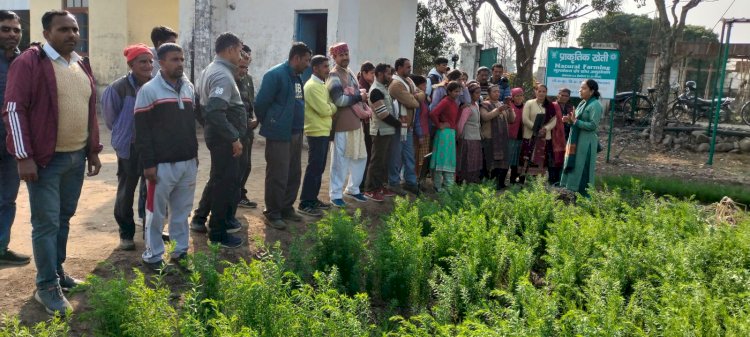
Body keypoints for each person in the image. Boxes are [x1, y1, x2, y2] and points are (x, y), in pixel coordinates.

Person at [3, 10, 103, 315]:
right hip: (47, 160)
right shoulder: (30, 62)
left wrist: (93, 150)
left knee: (63, 218)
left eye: (75, 29)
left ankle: (57, 273)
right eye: (64, 30)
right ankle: (45, 286)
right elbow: (13, 110)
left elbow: (88, 109)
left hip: (76, 156)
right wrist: (24, 156)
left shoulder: (79, 63)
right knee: (46, 224)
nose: (72, 34)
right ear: (47, 33)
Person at [134, 42, 198, 271]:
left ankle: (180, 252)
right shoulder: (149, 90)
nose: (180, 63)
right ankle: (153, 256)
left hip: (187, 162)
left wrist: (195, 157)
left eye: (181, 59)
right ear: (161, 63)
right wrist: (149, 164)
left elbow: (191, 125)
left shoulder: (188, 87)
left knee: (182, 212)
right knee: (156, 214)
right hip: (161, 165)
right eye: (174, 59)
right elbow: (142, 132)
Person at [192, 33, 247, 248]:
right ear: (231, 49)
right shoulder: (222, 75)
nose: (241, 55)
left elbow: (200, 107)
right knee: (226, 184)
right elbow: (215, 111)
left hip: (219, 137)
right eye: (240, 50)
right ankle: (218, 232)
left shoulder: (210, 70)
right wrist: (232, 136)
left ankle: (206, 221)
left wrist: (212, 130)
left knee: (219, 179)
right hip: (225, 141)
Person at [101, 44, 153, 251]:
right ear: (131, 64)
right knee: (126, 190)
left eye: (150, 61)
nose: (148, 65)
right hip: (129, 148)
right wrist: (125, 133)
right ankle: (126, 233)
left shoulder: (157, 85)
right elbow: (110, 119)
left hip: (153, 148)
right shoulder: (118, 88)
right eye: (142, 61)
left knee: (153, 191)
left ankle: (151, 231)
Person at [256, 42, 311, 229]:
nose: (308, 64)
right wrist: (272, 123)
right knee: (277, 174)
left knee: (293, 173)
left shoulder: (297, 77)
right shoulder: (275, 75)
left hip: (295, 133)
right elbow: (261, 104)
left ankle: (286, 207)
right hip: (279, 134)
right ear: (296, 58)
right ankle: (273, 212)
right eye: (306, 60)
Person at [0, 10, 30, 266]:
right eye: (5, 29)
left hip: (11, 143)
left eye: (16, 30)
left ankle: (1, 248)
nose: (12, 34)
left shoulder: (25, 62)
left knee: (7, 198)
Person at [327, 42, 368, 207]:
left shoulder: (349, 72)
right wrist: (359, 97)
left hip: (356, 124)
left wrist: (357, 95)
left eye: (346, 54)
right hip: (342, 124)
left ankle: (353, 189)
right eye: (341, 55)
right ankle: (335, 194)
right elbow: (339, 100)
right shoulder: (333, 75)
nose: (345, 57)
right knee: (340, 160)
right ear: (334, 57)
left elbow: (353, 94)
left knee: (360, 157)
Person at [298, 55, 336, 216]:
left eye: (328, 66)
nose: (328, 70)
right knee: (314, 167)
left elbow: (327, 108)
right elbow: (325, 110)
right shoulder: (312, 86)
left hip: (323, 130)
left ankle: (312, 199)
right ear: (315, 68)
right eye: (325, 66)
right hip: (316, 131)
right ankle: (305, 203)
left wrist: (330, 107)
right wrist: (333, 107)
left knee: (319, 167)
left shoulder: (320, 84)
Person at [363, 63, 400, 202]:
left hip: (387, 130)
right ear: (379, 74)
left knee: (383, 161)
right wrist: (399, 124)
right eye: (388, 73)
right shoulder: (376, 91)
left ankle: (379, 187)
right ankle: (370, 189)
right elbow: (382, 113)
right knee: (377, 161)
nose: (390, 76)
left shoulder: (383, 88)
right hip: (380, 131)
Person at [560, 79, 603, 196]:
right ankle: (572, 191)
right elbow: (576, 121)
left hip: (586, 142)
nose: (580, 90)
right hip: (576, 139)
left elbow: (593, 126)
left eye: (584, 88)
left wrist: (575, 121)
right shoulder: (582, 103)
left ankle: (585, 196)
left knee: (583, 167)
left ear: (592, 91)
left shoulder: (595, 105)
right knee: (575, 165)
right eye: (580, 88)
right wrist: (569, 120)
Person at [388, 58, 424, 195]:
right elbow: (414, 103)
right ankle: (393, 182)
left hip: (409, 126)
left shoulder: (409, 81)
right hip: (399, 126)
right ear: (399, 68)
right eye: (407, 67)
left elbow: (421, 94)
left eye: (410, 66)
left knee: (409, 156)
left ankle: (410, 182)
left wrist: (415, 96)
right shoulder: (396, 84)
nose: (410, 69)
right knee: (396, 156)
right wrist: (415, 96)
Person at [480, 85, 516, 189]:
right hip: (490, 138)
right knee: (490, 161)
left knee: (502, 162)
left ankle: (500, 183)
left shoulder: (501, 104)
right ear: (489, 93)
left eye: (498, 92)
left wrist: (510, 108)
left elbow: (511, 120)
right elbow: (485, 117)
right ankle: (489, 184)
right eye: (494, 91)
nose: (497, 93)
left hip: (502, 139)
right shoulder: (484, 105)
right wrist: (498, 110)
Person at [237, 45, 259, 209]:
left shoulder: (248, 79)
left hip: (248, 129)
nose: (245, 67)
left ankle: (240, 194)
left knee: (247, 165)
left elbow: (251, 103)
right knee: (236, 166)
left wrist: (255, 119)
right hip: (236, 130)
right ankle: (235, 196)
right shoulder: (231, 78)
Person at [429, 81, 462, 192]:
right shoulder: (446, 101)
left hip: (450, 134)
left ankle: (448, 186)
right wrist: (439, 125)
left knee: (448, 159)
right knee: (442, 159)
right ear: (449, 92)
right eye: (455, 91)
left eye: (459, 91)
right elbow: (433, 113)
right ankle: (438, 186)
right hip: (444, 134)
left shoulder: (454, 102)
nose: (458, 93)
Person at [520, 84, 556, 179]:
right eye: (539, 91)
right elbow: (525, 119)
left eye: (544, 91)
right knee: (527, 159)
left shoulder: (550, 105)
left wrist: (545, 129)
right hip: (530, 136)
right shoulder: (529, 103)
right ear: (535, 91)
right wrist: (536, 128)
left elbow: (554, 120)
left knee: (541, 161)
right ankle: (523, 181)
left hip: (544, 137)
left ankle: (537, 184)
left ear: (546, 92)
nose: (541, 93)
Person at [456, 83, 483, 184]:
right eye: (476, 93)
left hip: (476, 138)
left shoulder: (475, 105)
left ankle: (471, 181)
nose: (478, 95)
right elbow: (461, 124)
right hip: (467, 138)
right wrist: (458, 137)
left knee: (473, 161)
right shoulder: (467, 107)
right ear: (470, 94)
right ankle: (461, 181)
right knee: (466, 161)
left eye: (479, 93)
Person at [357, 61, 375, 192]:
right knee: (365, 154)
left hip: (369, 124)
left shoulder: (369, 85)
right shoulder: (361, 87)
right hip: (364, 125)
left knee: (368, 153)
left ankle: (365, 182)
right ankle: (361, 183)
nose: (374, 75)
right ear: (364, 73)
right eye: (372, 73)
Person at [409, 74, 431, 181]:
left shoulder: (424, 98)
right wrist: (420, 134)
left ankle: (419, 180)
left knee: (422, 159)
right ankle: (415, 180)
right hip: (419, 133)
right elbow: (416, 118)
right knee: (417, 159)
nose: (426, 87)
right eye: (424, 85)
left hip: (425, 131)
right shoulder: (418, 99)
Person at [548, 90, 569, 186]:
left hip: (566, 136)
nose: (564, 97)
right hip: (553, 136)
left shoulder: (569, 108)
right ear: (558, 95)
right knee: (553, 159)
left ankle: (560, 180)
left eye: (566, 95)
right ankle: (552, 180)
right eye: (562, 95)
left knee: (564, 158)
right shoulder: (552, 106)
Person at [507, 87, 525, 184]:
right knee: (510, 159)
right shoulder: (509, 106)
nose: (519, 98)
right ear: (512, 97)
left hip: (522, 137)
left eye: (521, 95)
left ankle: (516, 179)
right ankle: (508, 179)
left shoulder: (526, 107)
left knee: (519, 160)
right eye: (517, 96)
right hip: (511, 137)